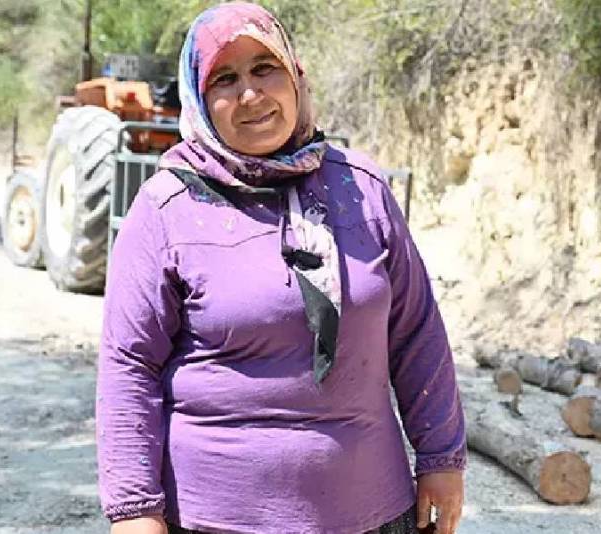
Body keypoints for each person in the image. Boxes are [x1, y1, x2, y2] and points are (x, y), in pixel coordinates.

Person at [96, 4, 466, 533]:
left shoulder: (360, 189)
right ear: (199, 97)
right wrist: (135, 510)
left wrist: (441, 457)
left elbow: (417, 333)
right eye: (225, 79)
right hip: (216, 520)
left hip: (374, 513)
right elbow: (129, 366)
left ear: (295, 76)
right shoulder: (167, 209)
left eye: (264, 68)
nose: (251, 94)